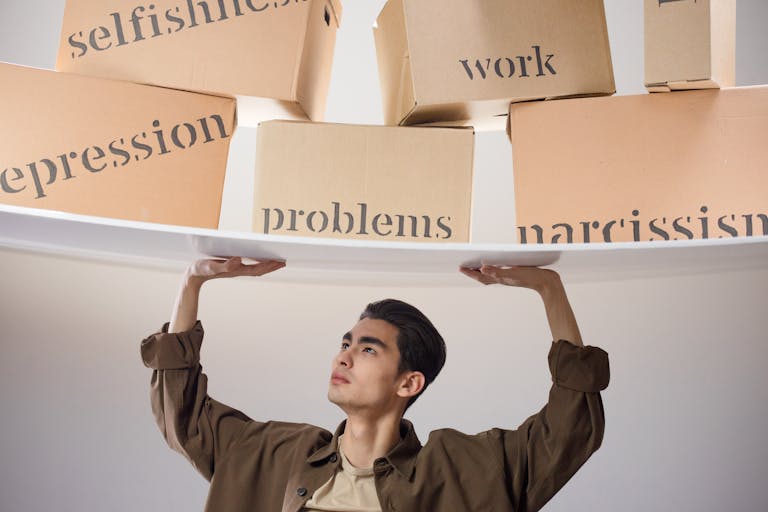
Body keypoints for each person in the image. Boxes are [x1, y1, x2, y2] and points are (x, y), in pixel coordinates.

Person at [141, 257, 609, 512]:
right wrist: (192, 282)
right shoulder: (274, 453)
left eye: (368, 349)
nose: (343, 355)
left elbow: (569, 429)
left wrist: (550, 290)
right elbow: (182, 414)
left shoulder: (465, 470)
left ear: (409, 382)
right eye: (346, 342)